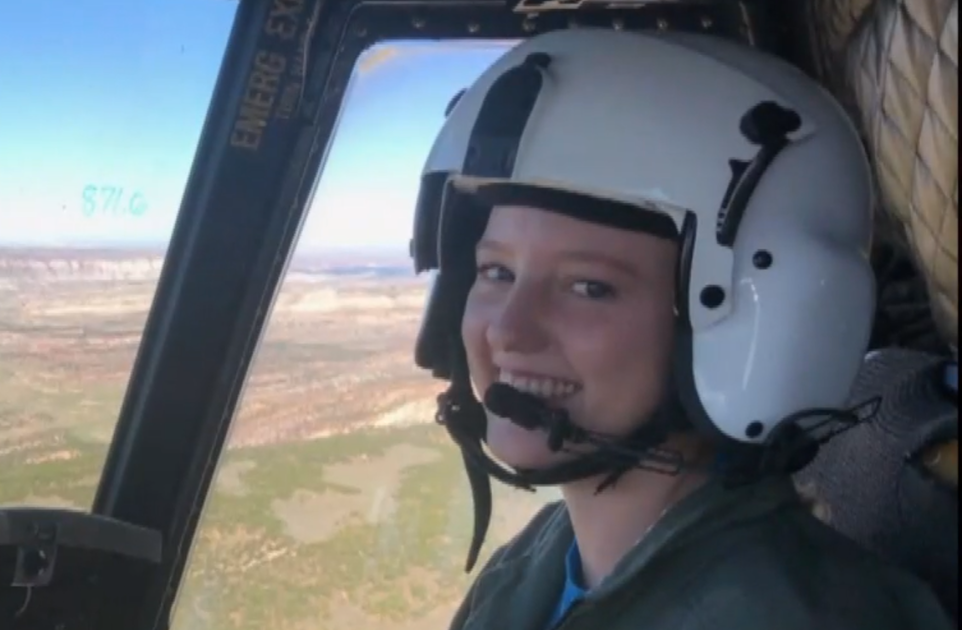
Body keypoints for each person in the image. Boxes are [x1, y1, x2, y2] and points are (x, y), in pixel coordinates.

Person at [405, 28, 954, 630]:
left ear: (753, 330)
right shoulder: (547, 556)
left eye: (589, 287)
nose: (509, 330)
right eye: (495, 271)